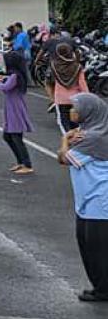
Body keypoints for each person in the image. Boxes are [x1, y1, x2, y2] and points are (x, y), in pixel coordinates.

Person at [59, 93, 108, 302]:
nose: (72, 111)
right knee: (87, 244)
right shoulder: (90, 133)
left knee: (97, 250)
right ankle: (99, 287)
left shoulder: (93, 138)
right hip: (88, 200)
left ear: (89, 111)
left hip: (100, 200)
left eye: (75, 108)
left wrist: (65, 140)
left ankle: (103, 289)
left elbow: (63, 158)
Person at [0, 49, 35, 174]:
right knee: (8, 136)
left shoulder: (15, 76)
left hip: (15, 108)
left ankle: (27, 164)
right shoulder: (16, 75)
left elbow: (5, 88)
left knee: (16, 137)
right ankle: (20, 162)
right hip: (12, 107)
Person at [49, 40, 89, 134]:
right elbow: (82, 84)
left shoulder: (54, 66)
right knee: (76, 123)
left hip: (61, 99)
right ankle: (77, 140)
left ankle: (68, 139)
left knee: (63, 122)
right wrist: (88, 98)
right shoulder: (77, 67)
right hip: (76, 99)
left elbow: (49, 81)